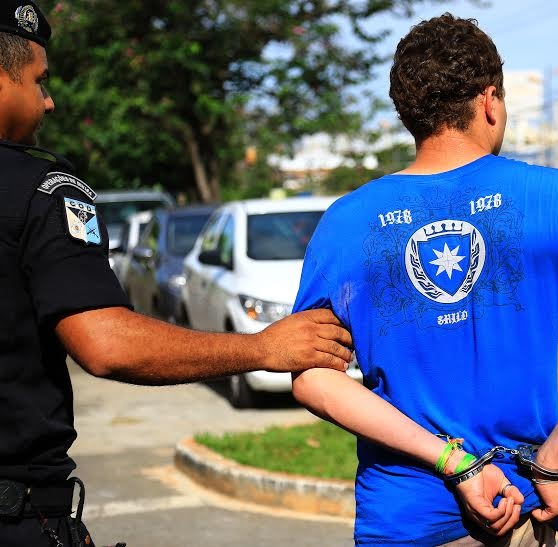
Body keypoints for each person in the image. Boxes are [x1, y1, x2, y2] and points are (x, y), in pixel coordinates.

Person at [289, 13, 558, 546]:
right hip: (521, 506)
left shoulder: (346, 221)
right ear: (490, 101)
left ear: (409, 113)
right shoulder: (557, 197)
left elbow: (312, 377)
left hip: (404, 518)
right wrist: (552, 461)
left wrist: (451, 460)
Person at [0, 2, 354, 546]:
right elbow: (107, 345)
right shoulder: (41, 189)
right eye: (39, 81)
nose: (48, 101)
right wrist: (262, 349)